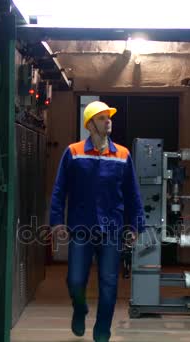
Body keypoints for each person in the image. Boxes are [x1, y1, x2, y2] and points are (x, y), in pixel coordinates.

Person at [49, 101, 145, 342]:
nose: (108, 121)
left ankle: (103, 329)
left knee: (109, 283)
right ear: (90, 125)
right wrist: (57, 221)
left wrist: (135, 225)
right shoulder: (73, 152)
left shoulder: (122, 155)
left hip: (111, 230)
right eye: (102, 118)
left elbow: (133, 194)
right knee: (75, 280)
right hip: (81, 228)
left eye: (108, 117)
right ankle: (80, 309)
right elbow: (60, 190)